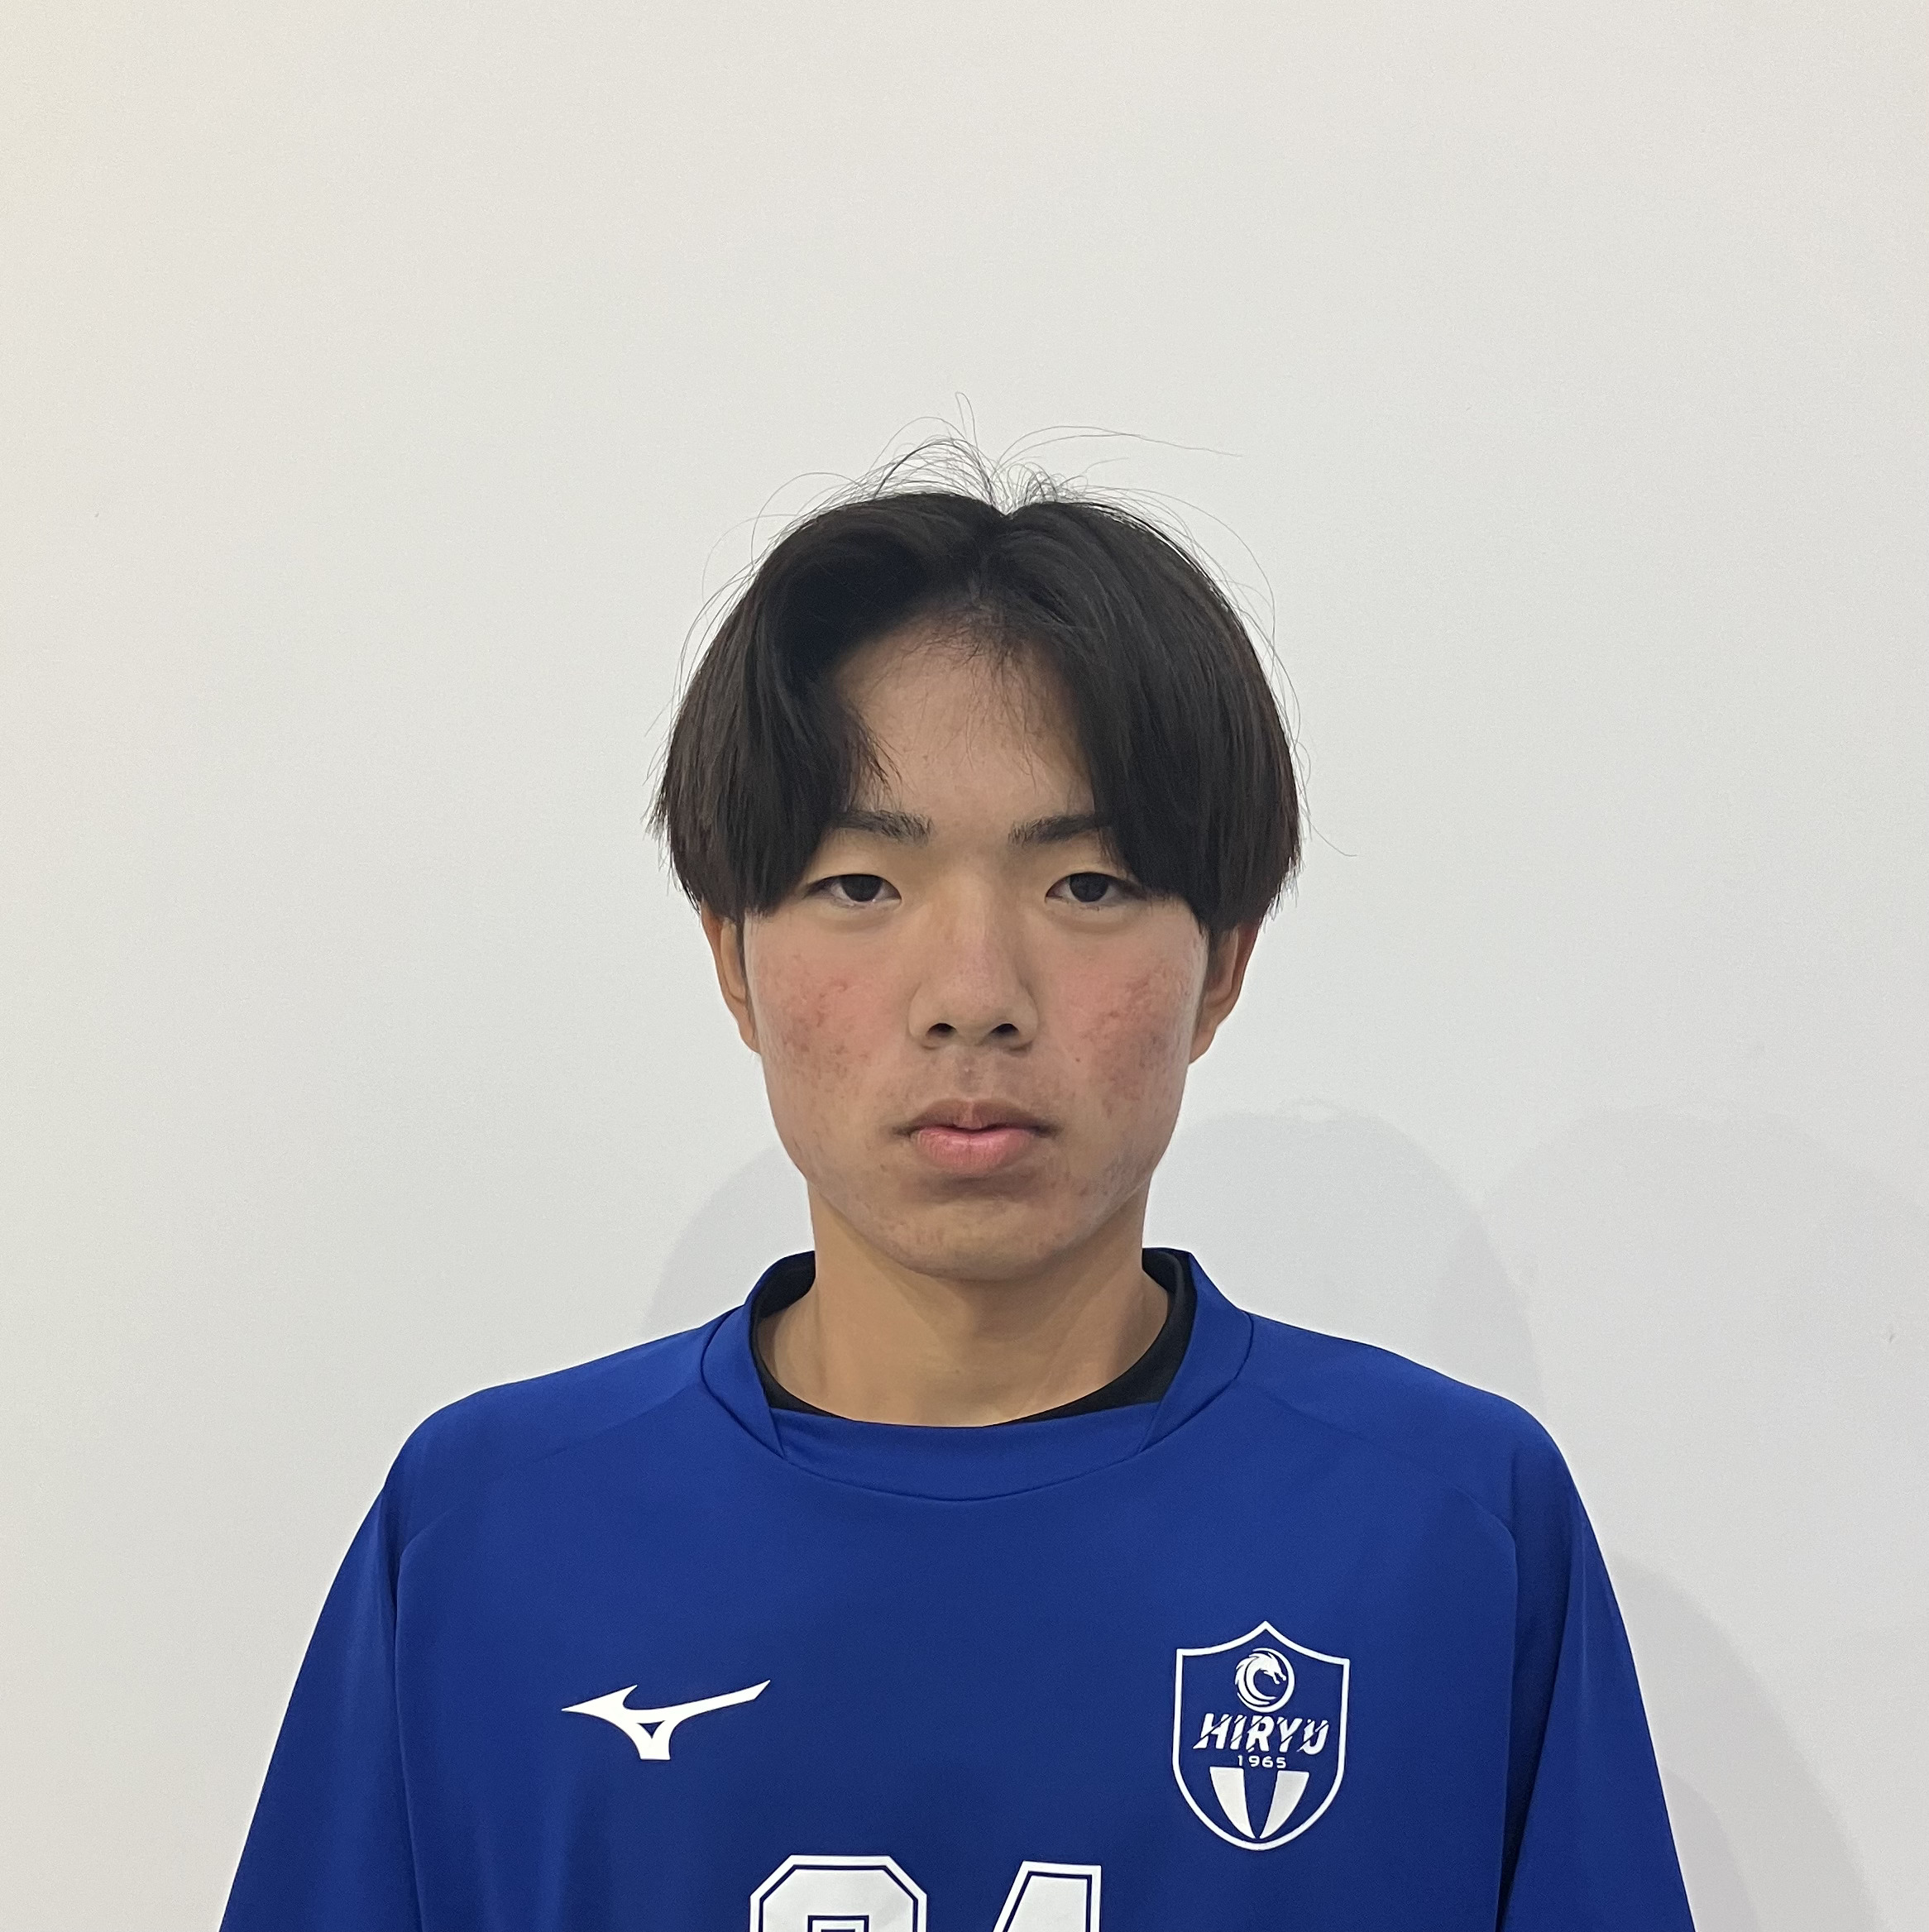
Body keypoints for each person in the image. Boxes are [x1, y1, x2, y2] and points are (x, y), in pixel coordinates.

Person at [222, 467, 1695, 1931]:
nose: (975, 994)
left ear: (1224, 964)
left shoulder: (1449, 1532)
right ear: (734, 958)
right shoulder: (487, 1539)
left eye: (1089, 884)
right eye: (862, 885)